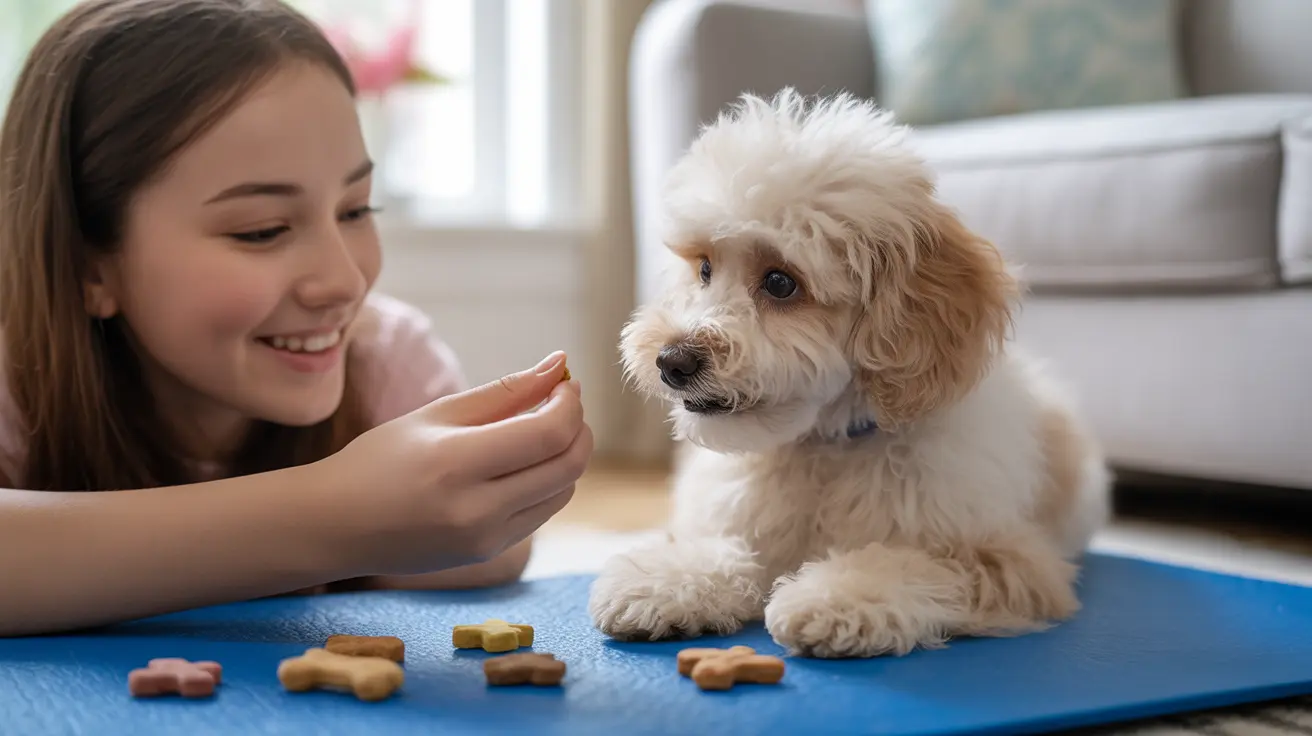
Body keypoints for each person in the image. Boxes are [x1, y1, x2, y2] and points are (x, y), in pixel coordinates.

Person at [0, 0, 593, 637]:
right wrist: (337, 518)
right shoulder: (17, 380)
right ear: (88, 268)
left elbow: (491, 555)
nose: (343, 283)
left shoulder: (386, 361)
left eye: (357, 210)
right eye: (263, 230)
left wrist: (472, 511)